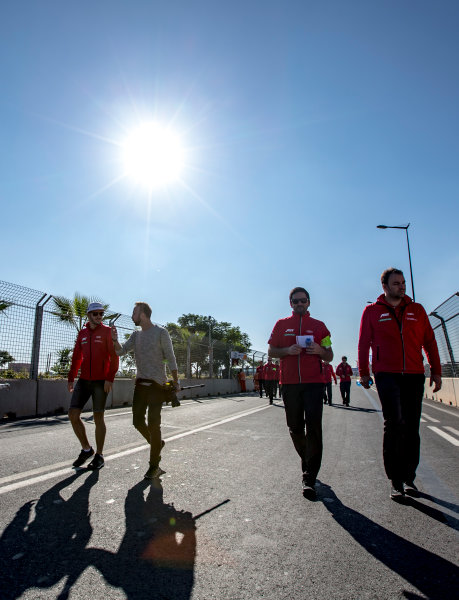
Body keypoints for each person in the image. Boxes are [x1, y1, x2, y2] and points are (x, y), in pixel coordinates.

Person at [358, 268, 442, 501]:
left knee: (411, 426)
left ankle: (408, 477)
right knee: (394, 423)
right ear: (384, 286)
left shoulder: (417, 310)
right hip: (387, 374)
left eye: (403, 283)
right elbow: (364, 343)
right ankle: (395, 480)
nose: (402, 286)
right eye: (396, 283)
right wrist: (364, 372)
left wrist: (436, 370)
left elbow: (430, 341)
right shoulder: (372, 311)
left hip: (414, 374)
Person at [268, 287, 333, 499]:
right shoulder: (281, 325)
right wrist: (286, 351)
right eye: (295, 301)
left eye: (303, 300)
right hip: (289, 383)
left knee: (314, 428)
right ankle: (308, 459)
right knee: (295, 427)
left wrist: (320, 351)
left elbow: (330, 355)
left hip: (314, 383)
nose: (299, 304)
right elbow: (271, 351)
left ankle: (309, 476)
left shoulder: (320, 327)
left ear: (309, 302)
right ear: (290, 304)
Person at [112, 302, 180, 479]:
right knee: (137, 421)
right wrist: (114, 340)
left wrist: (176, 380)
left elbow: (171, 358)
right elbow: (121, 352)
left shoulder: (161, 332)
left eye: (134, 312)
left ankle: (154, 465)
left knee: (154, 424)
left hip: (158, 386)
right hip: (140, 385)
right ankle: (157, 444)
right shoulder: (135, 335)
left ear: (142, 314)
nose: (132, 315)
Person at [68, 302, 119, 470]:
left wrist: (110, 378)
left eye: (101, 314)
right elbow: (77, 357)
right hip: (83, 381)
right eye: (95, 313)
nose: (99, 316)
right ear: (89, 315)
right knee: (73, 415)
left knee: (98, 418)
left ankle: (99, 455)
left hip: (100, 382)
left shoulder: (107, 332)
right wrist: (71, 377)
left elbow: (114, 356)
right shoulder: (82, 333)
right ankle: (86, 449)